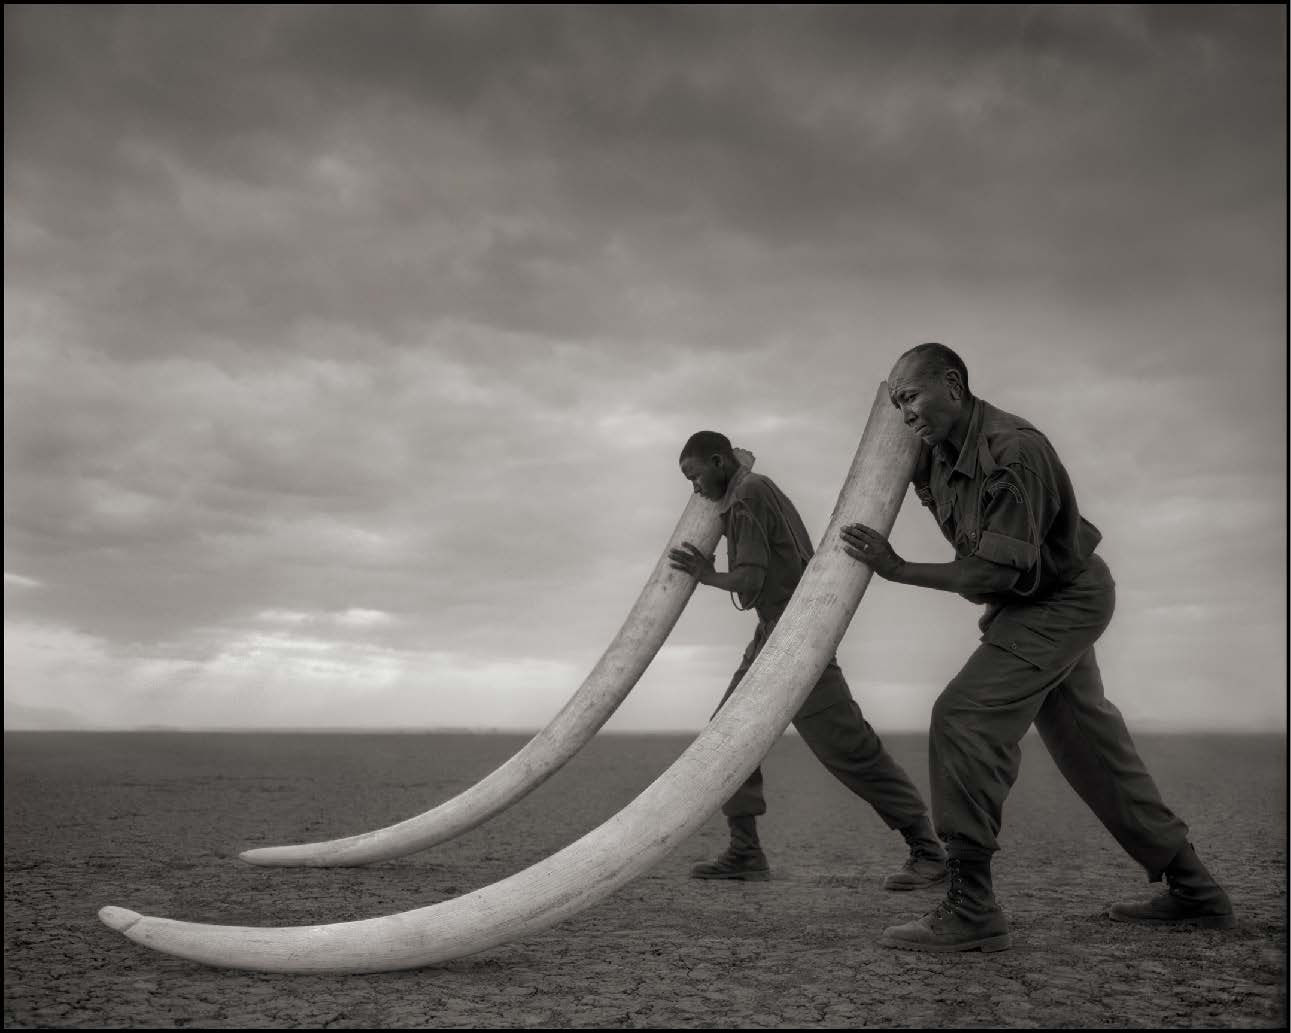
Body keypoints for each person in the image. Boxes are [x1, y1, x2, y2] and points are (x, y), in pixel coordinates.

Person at [840, 342, 1235, 953]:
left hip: (1062, 601)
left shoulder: (1015, 452)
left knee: (964, 717)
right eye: (895, 402)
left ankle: (971, 905)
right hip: (1029, 604)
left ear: (952, 383)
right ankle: (1195, 890)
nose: (904, 412)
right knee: (1090, 748)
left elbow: (991, 575)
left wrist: (896, 568)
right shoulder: (933, 449)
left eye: (911, 396)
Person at [668, 430, 946, 889]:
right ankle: (745, 851)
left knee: (848, 747)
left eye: (694, 476)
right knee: (724, 739)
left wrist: (705, 575)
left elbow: (749, 580)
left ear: (719, 462)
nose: (694, 489)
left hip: (797, 639)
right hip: (772, 633)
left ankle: (927, 850)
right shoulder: (754, 488)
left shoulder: (746, 497)